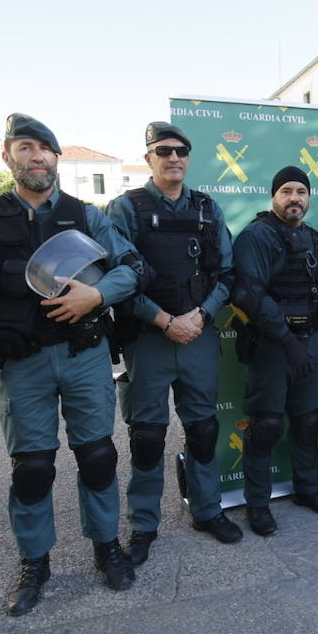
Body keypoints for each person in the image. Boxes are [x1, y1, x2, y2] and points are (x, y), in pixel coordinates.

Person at [0, 113, 142, 617]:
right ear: (8, 157)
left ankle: (107, 546)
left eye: (45, 148)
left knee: (98, 456)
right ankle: (34, 561)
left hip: (83, 354)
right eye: (25, 148)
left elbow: (132, 268)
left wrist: (98, 295)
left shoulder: (88, 217)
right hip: (23, 363)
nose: (36, 156)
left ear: (57, 157)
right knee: (33, 469)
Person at [106, 121, 242, 563]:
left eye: (181, 151)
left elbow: (226, 274)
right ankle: (143, 523)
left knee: (202, 431)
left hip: (198, 334)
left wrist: (200, 316)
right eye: (163, 151)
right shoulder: (125, 208)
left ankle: (206, 509)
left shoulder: (207, 208)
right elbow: (117, 277)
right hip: (148, 338)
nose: (174, 158)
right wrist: (165, 320)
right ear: (149, 158)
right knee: (147, 436)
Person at [229, 166, 318, 535]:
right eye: (287, 191)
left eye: (302, 192)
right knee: (267, 425)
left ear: (309, 198)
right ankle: (257, 504)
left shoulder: (312, 237)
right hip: (274, 346)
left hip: (309, 342)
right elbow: (248, 295)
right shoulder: (257, 237)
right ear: (274, 196)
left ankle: (308, 489)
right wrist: (288, 339)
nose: (295, 198)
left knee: (308, 421)